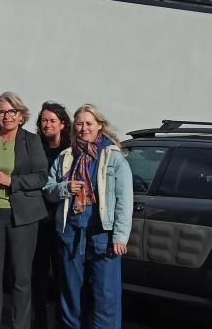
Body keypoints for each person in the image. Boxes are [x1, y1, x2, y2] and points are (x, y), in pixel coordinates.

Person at [43, 104, 132, 329]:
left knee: (106, 297)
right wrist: (65, 187)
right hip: (71, 233)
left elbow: (124, 200)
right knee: (71, 295)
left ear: (99, 126)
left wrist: (120, 237)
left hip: (103, 235)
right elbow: (48, 189)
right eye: (80, 124)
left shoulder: (113, 157)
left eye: (89, 123)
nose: (84, 128)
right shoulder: (66, 156)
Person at [0, 92, 48, 329]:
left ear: (20, 115)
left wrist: (11, 181)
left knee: (21, 277)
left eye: (11, 112)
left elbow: (41, 177)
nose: (6, 116)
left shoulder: (31, 141)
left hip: (22, 217)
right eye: (2, 112)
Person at [32, 101, 72, 329]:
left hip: (62, 221)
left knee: (62, 275)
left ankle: (61, 321)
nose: (47, 125)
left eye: (52, 121)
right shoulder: (36, 146)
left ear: (62, 124)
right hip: (38, 220)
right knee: (37, 275)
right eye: (43, 121)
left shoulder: (71, 151)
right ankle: (40, 321)